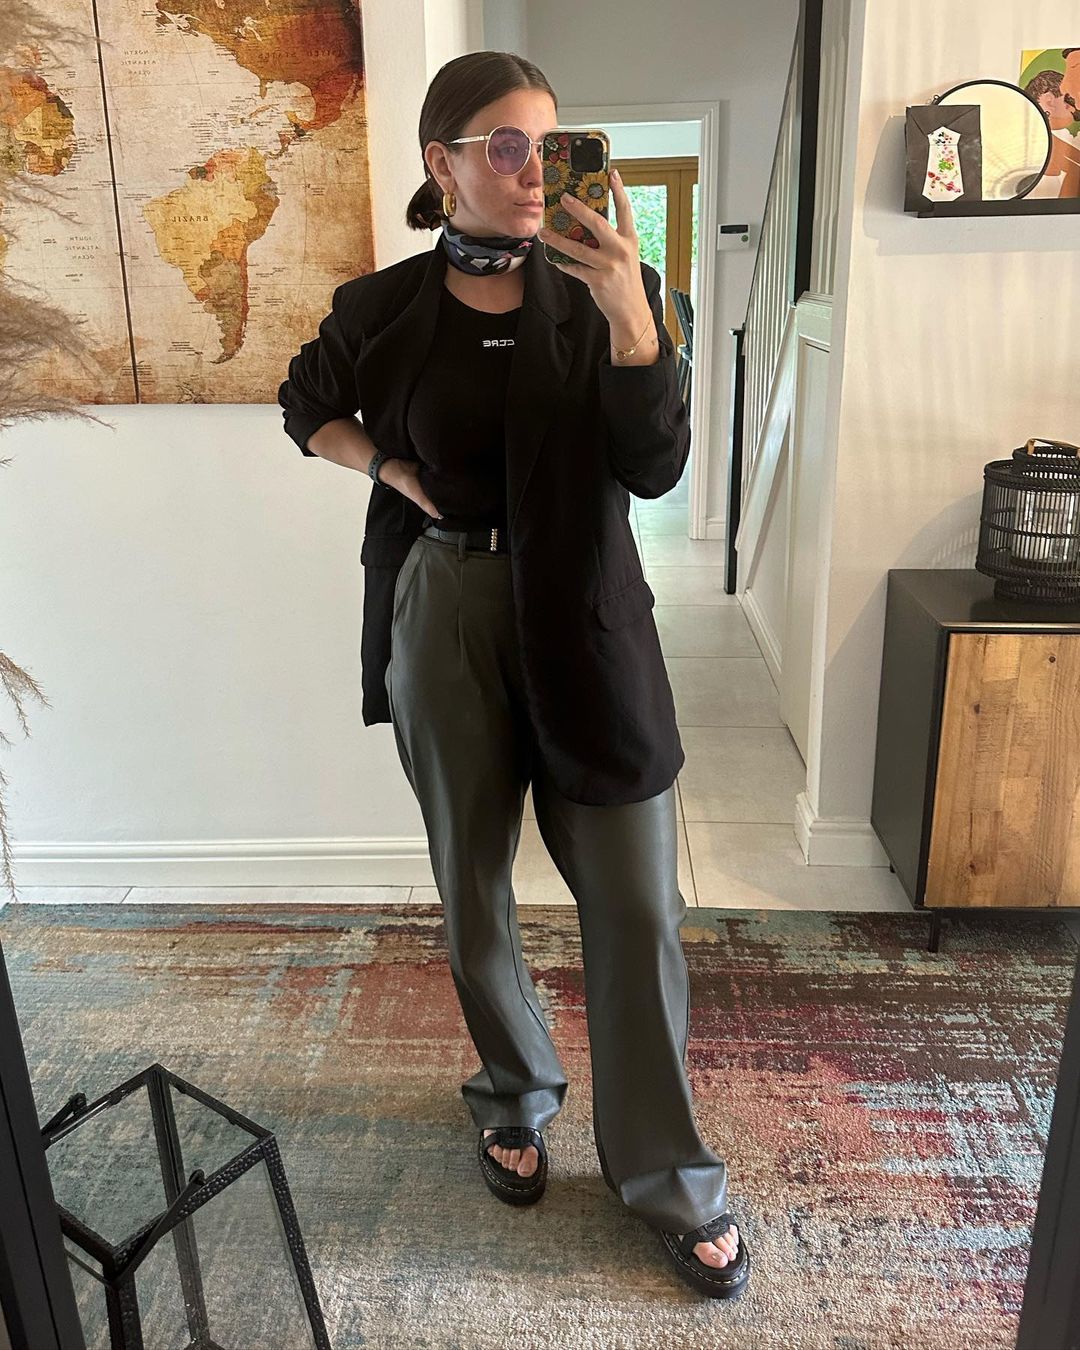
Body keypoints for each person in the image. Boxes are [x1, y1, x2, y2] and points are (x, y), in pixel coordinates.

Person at [277, 49, 750, 1301]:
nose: (536, 169)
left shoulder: (619, 292)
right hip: (445, 607)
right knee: (473, 886)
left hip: (587, 611)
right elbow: (304, 402)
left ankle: (667, 1173)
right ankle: (513, 1091)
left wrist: (634, 317)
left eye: (550, 143)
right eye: (505, 144)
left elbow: (654, 467)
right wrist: (388, 470)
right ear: (441, 164)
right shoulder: (380, 308)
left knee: (637, 906)